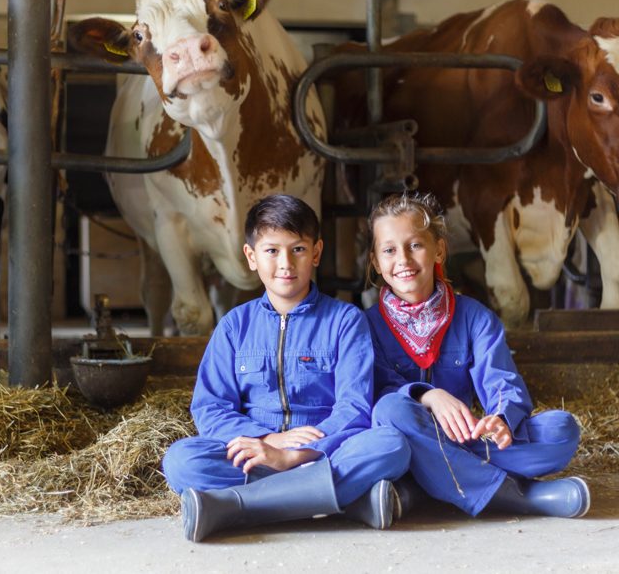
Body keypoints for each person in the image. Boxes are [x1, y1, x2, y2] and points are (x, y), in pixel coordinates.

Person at [162, 194, 410, 542]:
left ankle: (233, 506)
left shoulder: (345, 321)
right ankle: (345, 501)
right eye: (271, 250)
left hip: (322, 453)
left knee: (390, 445)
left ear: (316, 253)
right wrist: (268, 442)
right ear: (251, 257)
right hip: (256, 455)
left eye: (298, 249)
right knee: (180, 460)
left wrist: (292, 456)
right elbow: (210, 408)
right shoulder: (234, 326)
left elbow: (354, 407)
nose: (286, 263)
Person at [365, 191, 589, 520]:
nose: (403, 259)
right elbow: (373, 395)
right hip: (402, 440)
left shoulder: (475, 318)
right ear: (375, 262)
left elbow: (503, 382)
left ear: (439, 250)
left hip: (464, 441)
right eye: (389, 250)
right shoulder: (364, 326)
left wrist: (501, 419)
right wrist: (427, 396)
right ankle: (519, 497)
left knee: (561, 431)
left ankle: (422, 487)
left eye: (415, 245)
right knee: (391, 409)